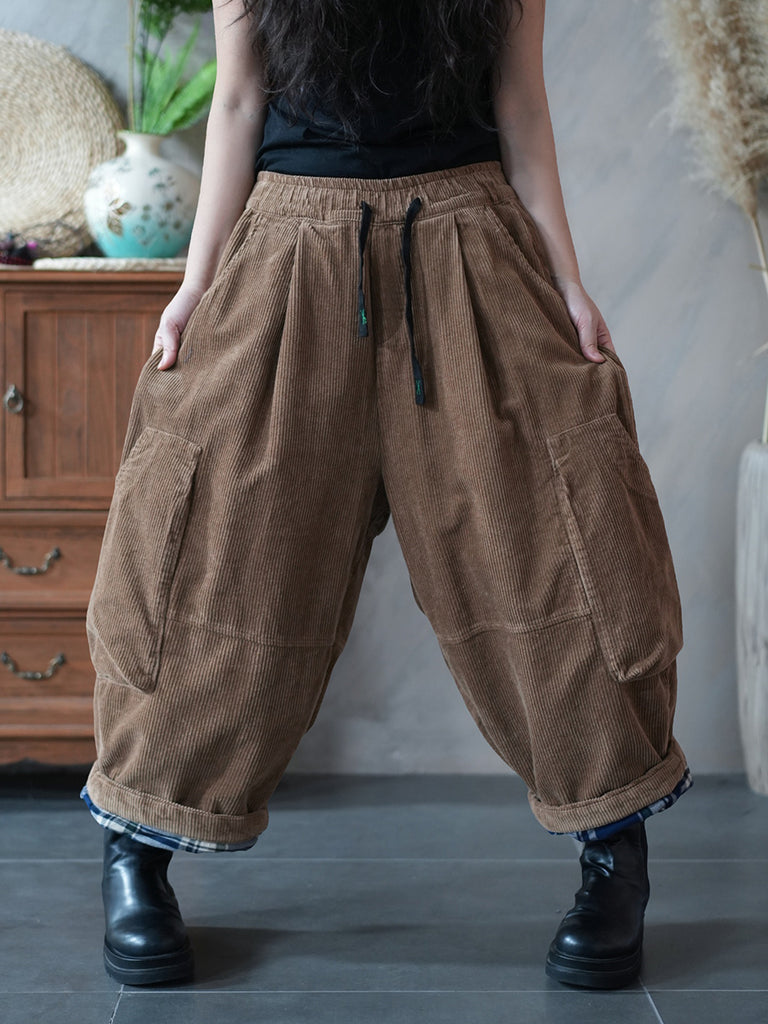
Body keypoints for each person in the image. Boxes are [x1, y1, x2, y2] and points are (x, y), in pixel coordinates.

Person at [81, 0, 692, 991]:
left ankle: (614, 854)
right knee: (209, 549)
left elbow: (520, 106)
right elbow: (237, 102)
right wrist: (196, 286)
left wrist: (568, 280)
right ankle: (138, 849)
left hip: (469, 245)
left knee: (558, 541)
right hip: (286, 249)